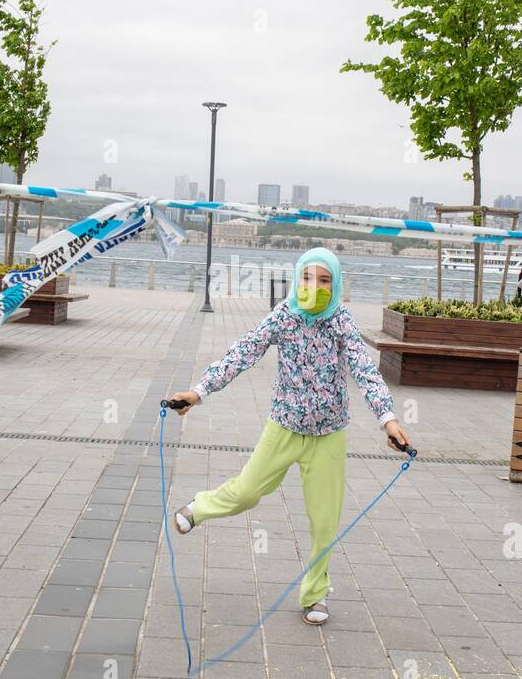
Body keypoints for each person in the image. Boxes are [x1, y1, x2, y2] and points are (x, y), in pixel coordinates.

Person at [165, 247, 412, 626]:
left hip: (329, 434)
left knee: (325, 521)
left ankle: (315, 595)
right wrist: (199, 392)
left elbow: (365, 371)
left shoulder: (341, 321)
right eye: (309, 278)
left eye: (325, 280)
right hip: (283, 427)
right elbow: (244, 351)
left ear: (337, 284)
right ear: (297, 280)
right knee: (247, 492)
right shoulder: (285, 316)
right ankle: (198, 508)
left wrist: (388, 420)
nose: (316, 287)